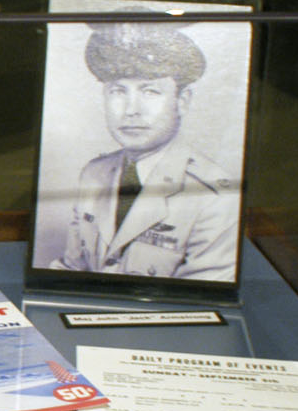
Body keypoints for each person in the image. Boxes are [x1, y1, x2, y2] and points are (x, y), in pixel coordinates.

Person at [52, 22, 239, 280]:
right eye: (118, 91)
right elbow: (71, 271)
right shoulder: (94, 174)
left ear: (182, 101)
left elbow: (197, 300)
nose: (131, 109)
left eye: (150, 91)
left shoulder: (215, 197)